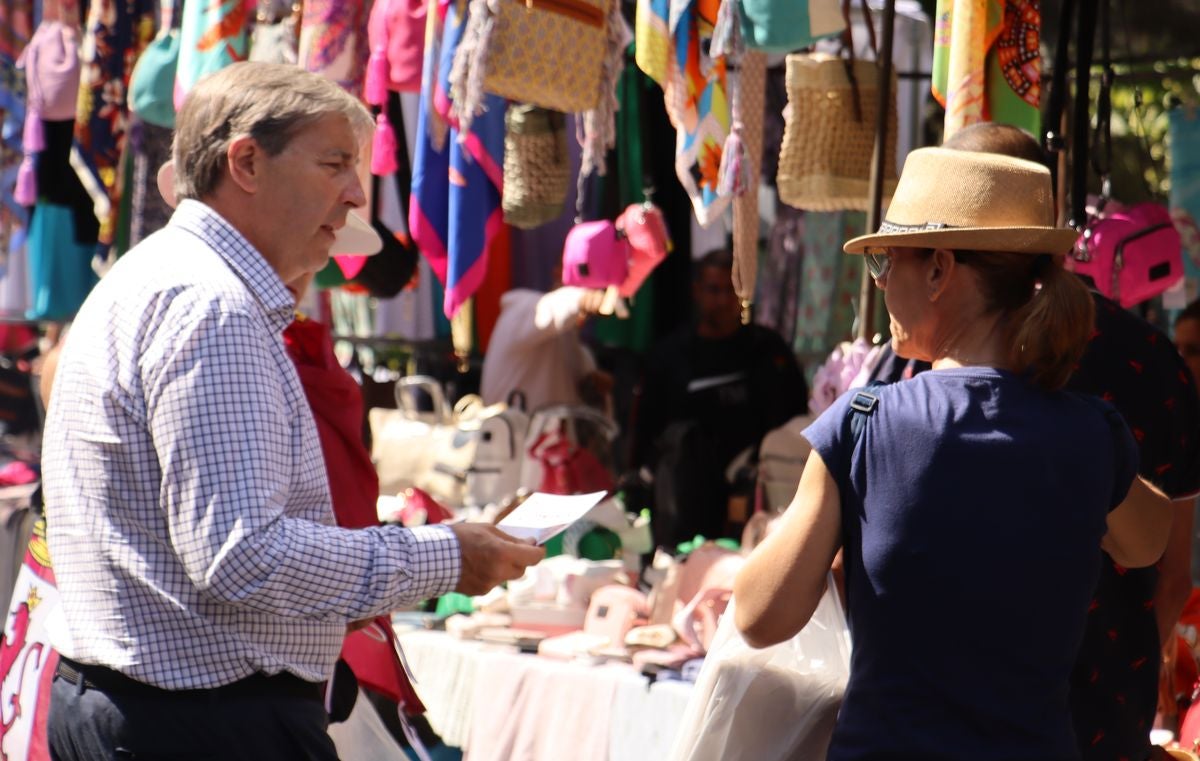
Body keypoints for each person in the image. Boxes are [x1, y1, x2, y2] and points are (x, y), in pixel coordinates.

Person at [41, 62, 543, 761]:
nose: (355, 193)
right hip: (199, 725)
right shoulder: (212, 305)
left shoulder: (162, 276)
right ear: (246, 161)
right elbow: (242, 555)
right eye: (334, 163)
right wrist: (445, 554)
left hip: (156, 711)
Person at [734, 145, 1173, 759]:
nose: (881, 281)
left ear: (939, 270)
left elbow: (758, 616)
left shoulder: (863, 427)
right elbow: (1148, 540)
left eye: (886, 262)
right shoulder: (1094, 435)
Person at [940, 123, 1200, 761]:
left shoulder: (935, 370)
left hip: (964, 719)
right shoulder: (1153, 358)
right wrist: (1127, 671)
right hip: (1105, 714)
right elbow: (1173, 573)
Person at [636, 248, 806, 547]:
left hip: (760, 503)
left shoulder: (768, 349)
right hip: (688, 506)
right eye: (714, 290)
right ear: (696, 291)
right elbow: (647, 430)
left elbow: (796, 418)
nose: (724, 301)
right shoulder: (670, 357)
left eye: (732, 290)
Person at [479, 279, 609, 412]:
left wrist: (592, 383)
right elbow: (549, 309)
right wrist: (584, 299)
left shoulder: (571, 341)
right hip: (509, 430)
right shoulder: (521, 308)